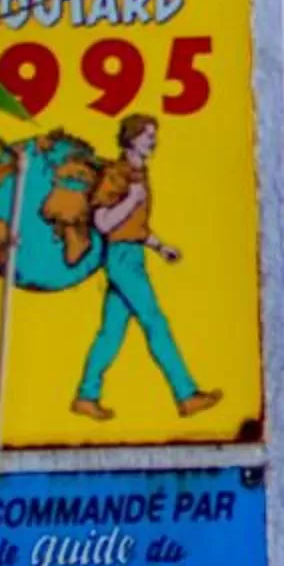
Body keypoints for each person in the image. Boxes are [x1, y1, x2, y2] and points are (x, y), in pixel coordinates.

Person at [72, 115, 220, 424]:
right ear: (131, 138)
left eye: (154, 134)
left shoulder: (140, 174)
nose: (153, 140)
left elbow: (135, 226)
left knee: (111, 333)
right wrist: (130, 201)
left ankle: (86, 395)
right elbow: (103, 223)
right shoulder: (116, 174)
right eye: (147, 135)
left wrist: (159, 246)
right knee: (155, 323)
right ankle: (186, 394)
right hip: (121, 258)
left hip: (133, 254)